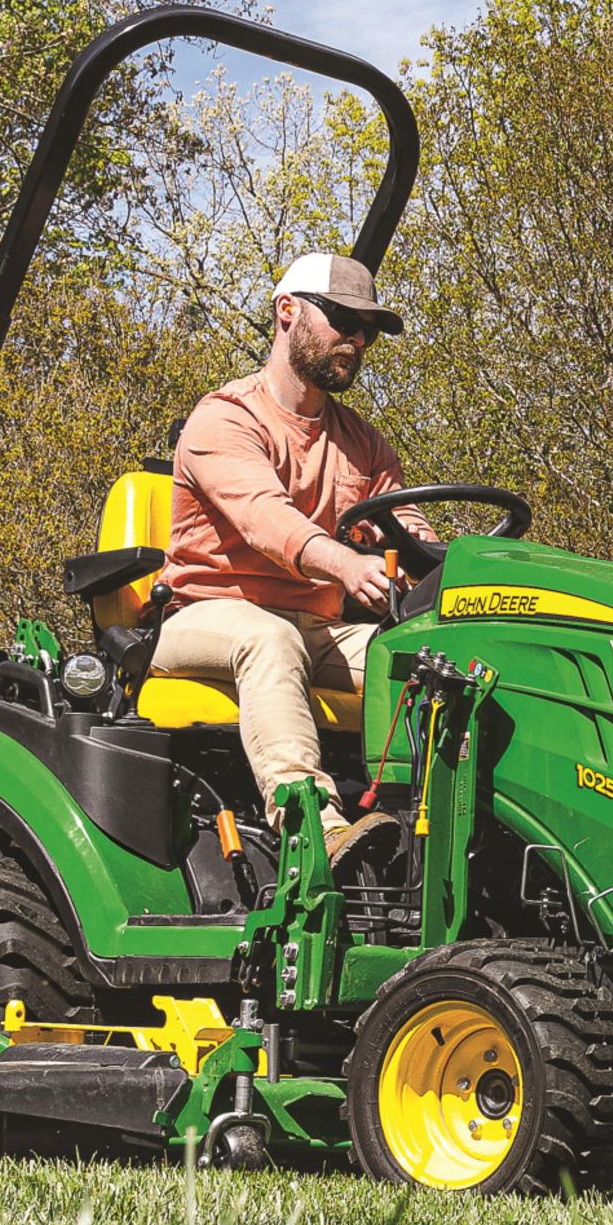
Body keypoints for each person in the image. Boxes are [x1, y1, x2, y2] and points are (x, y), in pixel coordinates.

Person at [153, 252, 436, 865]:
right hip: (209, 615)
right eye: (341, 319)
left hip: (318, 628)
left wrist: (449, 567)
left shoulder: (363, 441)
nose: (356, 340)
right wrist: (345, 564)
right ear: (287, 311)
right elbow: (266, 520)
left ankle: (442, 835)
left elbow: (407, 526)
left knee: (442, 667)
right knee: (270, 638)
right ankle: (315, 825)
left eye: (367, 331)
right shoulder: (225, 418)